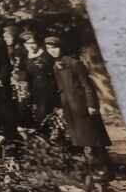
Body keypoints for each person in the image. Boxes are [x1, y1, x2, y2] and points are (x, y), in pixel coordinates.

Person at [46, 36, 112, 175]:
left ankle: (104, 169)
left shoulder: (75, 63)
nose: (52, 51)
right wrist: (61, 106)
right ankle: (92, 169)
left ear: (61, 47)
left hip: (82, 106)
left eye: (55, 47)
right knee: (81, 139)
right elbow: (61, 88)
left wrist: (91, 105)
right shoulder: (56, 65)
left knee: (93, 137)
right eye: (49, 48)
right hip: (69, 107)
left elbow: (87, 86)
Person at [17, 31, 59, 131]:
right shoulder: (25, 56)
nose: (30, 46)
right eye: (27, 44)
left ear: (38, 43)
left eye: (33, 43)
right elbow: (23, 71)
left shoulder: (46, 54)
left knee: (44, 112)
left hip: (48, 87)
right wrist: (24, 83)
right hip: (33, 87)